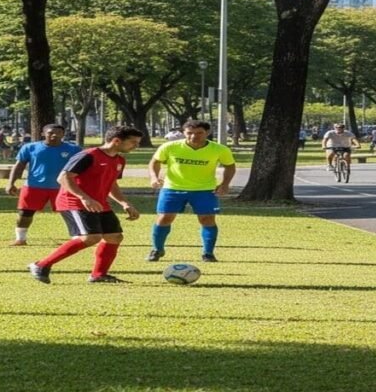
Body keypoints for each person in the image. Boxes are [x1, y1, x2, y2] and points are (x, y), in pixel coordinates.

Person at [27, 126, 142, 284]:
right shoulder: (88, 155)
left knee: (114, 237)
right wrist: (84, 197)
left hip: (99, 203)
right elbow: (64, 177)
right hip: (74, 201)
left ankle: (98, 275)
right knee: (90, 237)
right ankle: (41, 265)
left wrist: (124, 203)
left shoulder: (119, 160)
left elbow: (112, 184)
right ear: (116, 141)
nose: (136, 146)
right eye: (133, 142)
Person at [147, 120, 236, 263]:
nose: (194, 136)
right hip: (172, 188)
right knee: (164, 218)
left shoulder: (220, 149)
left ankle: (208, 253)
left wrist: (225, 184)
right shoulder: (170, 147)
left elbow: (230, 166)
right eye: (190, 133)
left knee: (207, 219)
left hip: (204, 190)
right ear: (184, 133)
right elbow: (155, 161)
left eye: (199, 133)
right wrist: (154, 177)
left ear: (207, 133)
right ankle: (157, 249)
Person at [5, 123, 81, 246]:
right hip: (33, 186)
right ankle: (20, 239)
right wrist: (11, 183)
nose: (54, 135)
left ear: (63, 134)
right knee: (25, 213)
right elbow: (19, 166)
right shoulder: (30, 148)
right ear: (43, 134)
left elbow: (82, 168)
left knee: (69, 212)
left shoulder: (74, 149)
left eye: (58, 133)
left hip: (63, 187)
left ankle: (77, 237)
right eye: (50, 132)